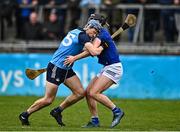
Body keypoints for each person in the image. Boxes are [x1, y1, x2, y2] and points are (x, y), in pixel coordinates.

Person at [19, 19, 103, 126]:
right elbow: (93, 52)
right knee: (48, 100)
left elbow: (81, 49)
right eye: (94, 32)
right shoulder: (83, 36)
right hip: (57, 68)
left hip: (66, 68)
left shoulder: (76, 31)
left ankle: (57, 111)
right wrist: (103, 45)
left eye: (96, 34)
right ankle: (25, 114)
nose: (93, 35)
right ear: (89, 27)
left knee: (80, 93)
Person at [64, 14, 124, 128]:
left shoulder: (101, 35)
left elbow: (93, 51)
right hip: (107, 67)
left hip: (113, 67)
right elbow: (90, 50)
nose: (89, 23)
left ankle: (117, 111)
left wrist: (74, 58)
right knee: (88, 92)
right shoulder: (98, 35)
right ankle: (95, 120)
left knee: (94, 93)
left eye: (91, 21)